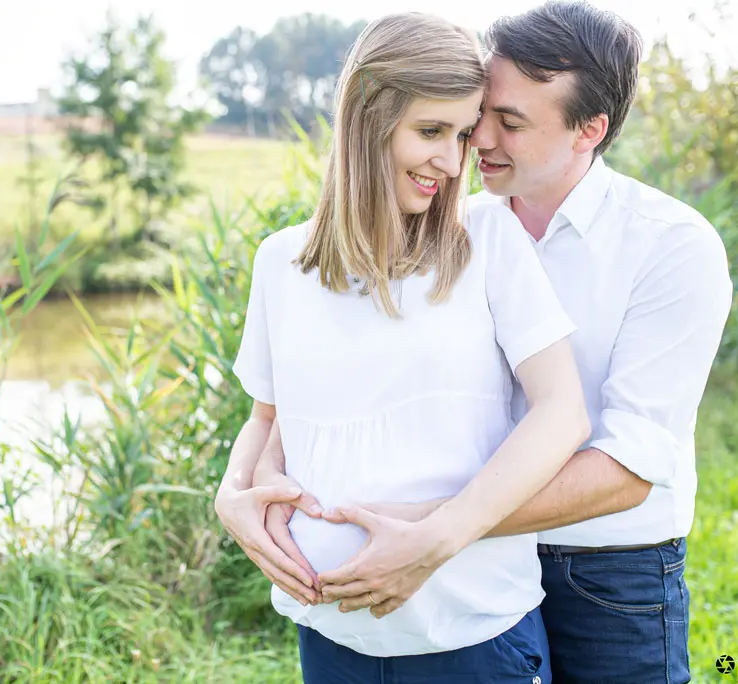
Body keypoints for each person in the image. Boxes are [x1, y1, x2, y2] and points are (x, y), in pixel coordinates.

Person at [225, 2, 734, 683]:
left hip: (603, 569)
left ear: (590, 129)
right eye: (472, 118)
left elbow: (630, 464)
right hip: (458, 574)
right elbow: (311, 393)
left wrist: (433, 531)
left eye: (506, 122)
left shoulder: (670, 246)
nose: (477, 143)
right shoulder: (447, 228)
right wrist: (241, 486)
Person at [214, 11, 591, 684]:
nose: (450, 163)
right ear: (366, 116)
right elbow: (267, 417)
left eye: (460, 135)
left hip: (470, 635)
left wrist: (435, 541)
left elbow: (562, 413)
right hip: (331, 636)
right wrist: (231, 495)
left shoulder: (489, 243)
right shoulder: (281, 263)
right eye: (429, 131)